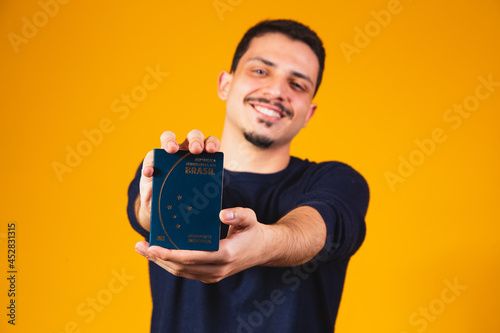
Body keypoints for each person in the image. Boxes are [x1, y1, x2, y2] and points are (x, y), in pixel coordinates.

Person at [127, 19, 369, 332]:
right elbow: (143, 214)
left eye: (297, 84)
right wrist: (158, 204)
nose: (277, 91)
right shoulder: (167, 169)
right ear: (225, 84)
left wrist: (264, 243)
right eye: (260, 70)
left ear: (309, 112)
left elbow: (316, 227)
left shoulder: (338, 181)